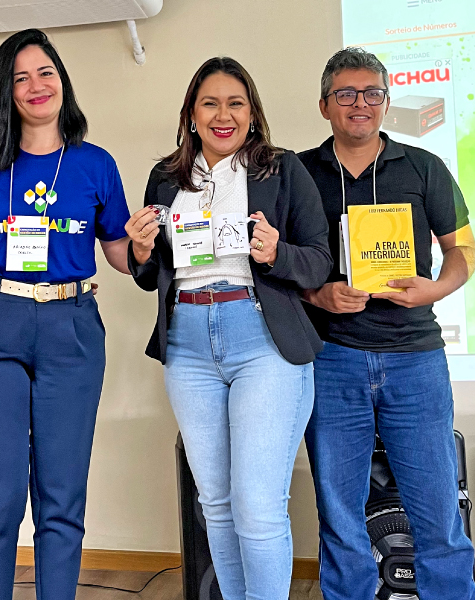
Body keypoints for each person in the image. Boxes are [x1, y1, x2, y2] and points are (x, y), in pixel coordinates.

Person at [125, 57, 332, 600]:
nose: (223, 115)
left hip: (261, 339)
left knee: (257, 506)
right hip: (187, 343)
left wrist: (277, 253)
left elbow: (318, 261)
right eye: (210, 104)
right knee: (215, 504)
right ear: (191, 116)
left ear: (252, 113)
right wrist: (141, 251)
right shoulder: (166, 178)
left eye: (235, 103)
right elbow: (151, 275)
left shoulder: (282, 170)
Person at [0, 29, 131, 600]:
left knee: (61, 499)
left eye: (45, 72)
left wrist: (145, 247)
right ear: (4, 92)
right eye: (20, 77)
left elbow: (119, 251)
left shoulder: (95, 164)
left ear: (62, 82)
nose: (36, 85)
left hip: (70, 325)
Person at [297, 47, 475, 600]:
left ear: (386, 101)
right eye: (346, 94)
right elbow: (276, 264)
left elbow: (464, 252)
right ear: (325, 104)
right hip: (331, 359)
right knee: (339, 515)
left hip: (416, 359)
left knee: (439, 513)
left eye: (372, 93)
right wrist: (318, 294)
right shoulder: (297, 173)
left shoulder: (425, 167)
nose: (360, 103)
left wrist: (435, 288)